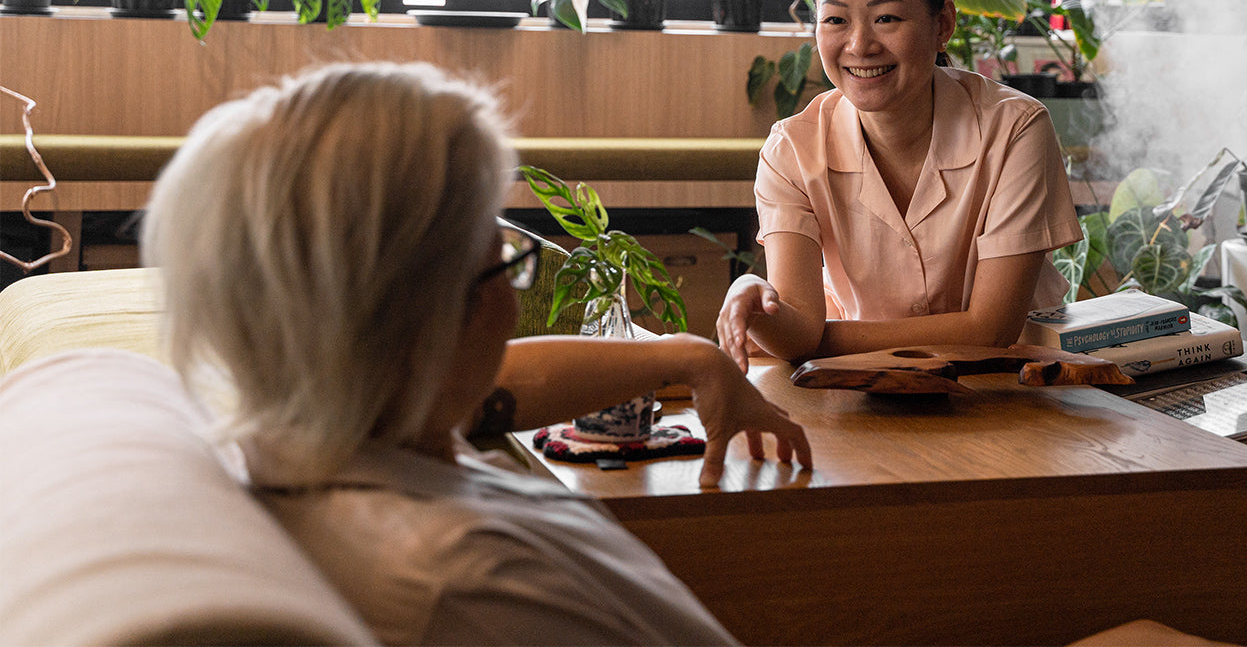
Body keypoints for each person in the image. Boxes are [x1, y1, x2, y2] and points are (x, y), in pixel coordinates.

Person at [141, 60, 812, 646]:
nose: (512, 304)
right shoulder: (471, 585)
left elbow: (504, 382)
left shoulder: (345, 426)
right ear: (426, 318)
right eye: (504, 265)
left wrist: (692, 357)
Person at [717, 0, 1083, 371]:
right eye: (835, 20)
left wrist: (814, 342)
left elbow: (990, 330)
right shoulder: (791, 149)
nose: (859, 44)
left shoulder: (1015, 127)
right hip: (865, 393)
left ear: (942, 24)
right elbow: (795, 326)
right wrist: (750, 302)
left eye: (886, 18)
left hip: (1008, 391)